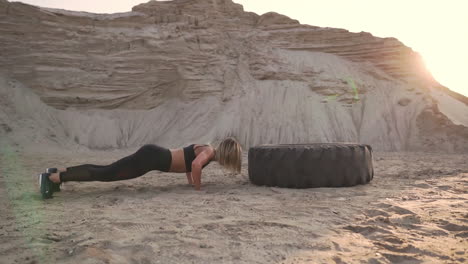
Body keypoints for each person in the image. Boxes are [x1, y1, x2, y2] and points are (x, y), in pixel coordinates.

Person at [38, 137, 242, 199]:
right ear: (226, 154)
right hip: (151, 159)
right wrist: (199, 189)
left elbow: (190, 165)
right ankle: (55, 178)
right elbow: (196, 165)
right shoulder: (209, 152)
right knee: (106, 173)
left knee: (107, 170)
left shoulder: (206, 148)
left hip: (152, 155)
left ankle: (57, 172)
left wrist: (190, 182)